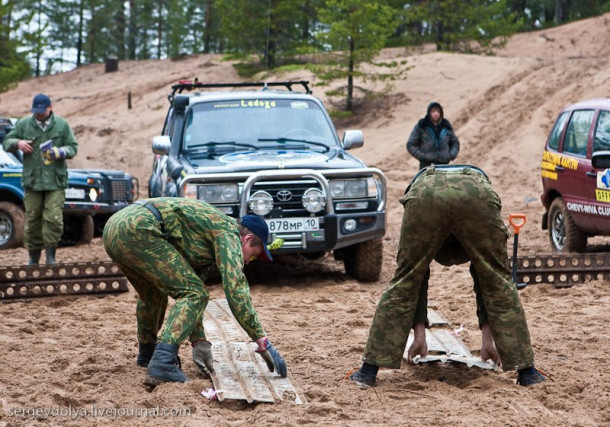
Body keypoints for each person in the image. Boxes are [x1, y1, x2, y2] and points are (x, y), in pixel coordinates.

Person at [349, 165, 546, 388]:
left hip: (426, 196)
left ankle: (368, 372)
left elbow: (417, 279)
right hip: (476, 195)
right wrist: (488, 340)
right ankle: (527, 373)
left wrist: (419, 335)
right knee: (496, 278)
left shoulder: (421, 187)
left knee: (406, 278)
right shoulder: (477, 185)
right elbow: (488, 282)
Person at [102, 197, 287, 386]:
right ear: (247, 239)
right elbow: (235, 289)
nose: (248, 261)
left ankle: (147, 354)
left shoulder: (209, 231)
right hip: (140, 228)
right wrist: (261, 338)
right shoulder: (228, 233)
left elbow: (193, 284)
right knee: (196, 294)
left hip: (116, 227)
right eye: (253, 254)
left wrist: (199, 340)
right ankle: (163, 362)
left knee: (153, 293)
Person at [2, 93, 78, 265]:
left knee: (53, 217)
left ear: (50, 108)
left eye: (42, 111)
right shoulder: (24, 124)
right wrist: (18, 143)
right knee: (33, 219)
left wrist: (59, 152)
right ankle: (33, 256)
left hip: (55, 181)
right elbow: (7, 141)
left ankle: (51, 253)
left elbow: (73, 147)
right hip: (32, 181)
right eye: (36, 111)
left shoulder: (61, 125)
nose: (39, 114)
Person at [407, 101, 460, 170]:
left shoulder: (446, 126)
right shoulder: (422, 126)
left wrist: (450, 155)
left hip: (444, 166)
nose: (436, 114)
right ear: (429, 113)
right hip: (426, 167)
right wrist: (423, 156)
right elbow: (411, 145)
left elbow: (455, 143)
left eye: (438, 111)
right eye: (433, 111)